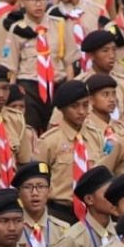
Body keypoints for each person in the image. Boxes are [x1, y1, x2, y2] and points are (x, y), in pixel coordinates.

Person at [5, 0, 78, 133]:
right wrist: (14, 94)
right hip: (29, 87)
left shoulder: (59, 25)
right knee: (29, 132)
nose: (38, 4)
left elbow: (69, 62)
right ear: (22, 2)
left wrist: (69, 89)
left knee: (57, 132)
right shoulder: (17, 29)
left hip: (58, 86)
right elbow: (11, 67)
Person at [33, 80, 105, 224]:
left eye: (85, 105)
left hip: (92, 211)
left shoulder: (95, 136)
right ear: (63, 109)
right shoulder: (50, 141)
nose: (81, 111)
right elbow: (37, 179)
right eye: (74, 106)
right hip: (60, 211)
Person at [13, 161, 69, 247]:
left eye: (41, 186)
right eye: (28, 187)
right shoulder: (12, 228)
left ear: (49, 191)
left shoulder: (63, 230)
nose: (35, 193)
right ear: (19, 193)